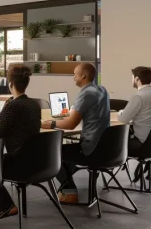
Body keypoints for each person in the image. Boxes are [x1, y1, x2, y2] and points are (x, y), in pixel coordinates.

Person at [43, 63, 110, 204]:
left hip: (90, 149)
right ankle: (69, 187)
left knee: (53, 152)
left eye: (75, 74)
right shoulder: (102, 90)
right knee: (67, 153)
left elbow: (70, 124)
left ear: (83, 76)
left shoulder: (85, 93)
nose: (73, 77)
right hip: (105, 147)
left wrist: (52, 123)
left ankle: (69, 192)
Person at [0, 64, 40, 219]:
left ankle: (6, 205)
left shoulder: (13, 106)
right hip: (37, 160)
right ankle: (5, 205)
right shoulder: (34, 104)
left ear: (10, 84)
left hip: (19, 162)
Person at [118, 66, 151, 181]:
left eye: (132, 77)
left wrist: (120, 112)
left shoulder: (138, 97)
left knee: (114, 142)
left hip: (142, 144)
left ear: (137, 79)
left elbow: (123, 120)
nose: (132, 80)